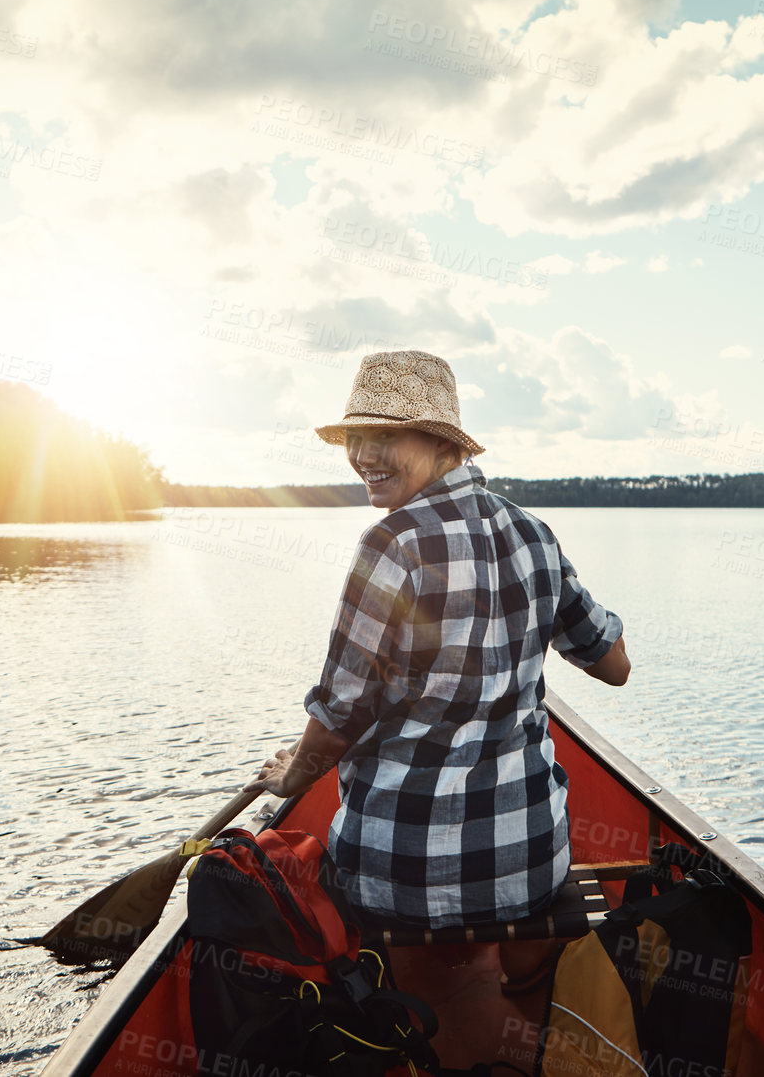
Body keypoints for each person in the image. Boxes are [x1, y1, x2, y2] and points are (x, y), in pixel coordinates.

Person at [243, 349, 630, 995]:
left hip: (402, 874)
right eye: (355, 438)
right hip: (530, 860)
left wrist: (297, 769)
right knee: (524, 928)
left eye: (384, 437)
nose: (364, 455)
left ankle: (422, 1024)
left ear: (439, 442)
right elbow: (612, 665)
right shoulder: (534, 534)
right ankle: (524, 1002)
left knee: (408, 963)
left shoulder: (390, 544)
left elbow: (338, 718)